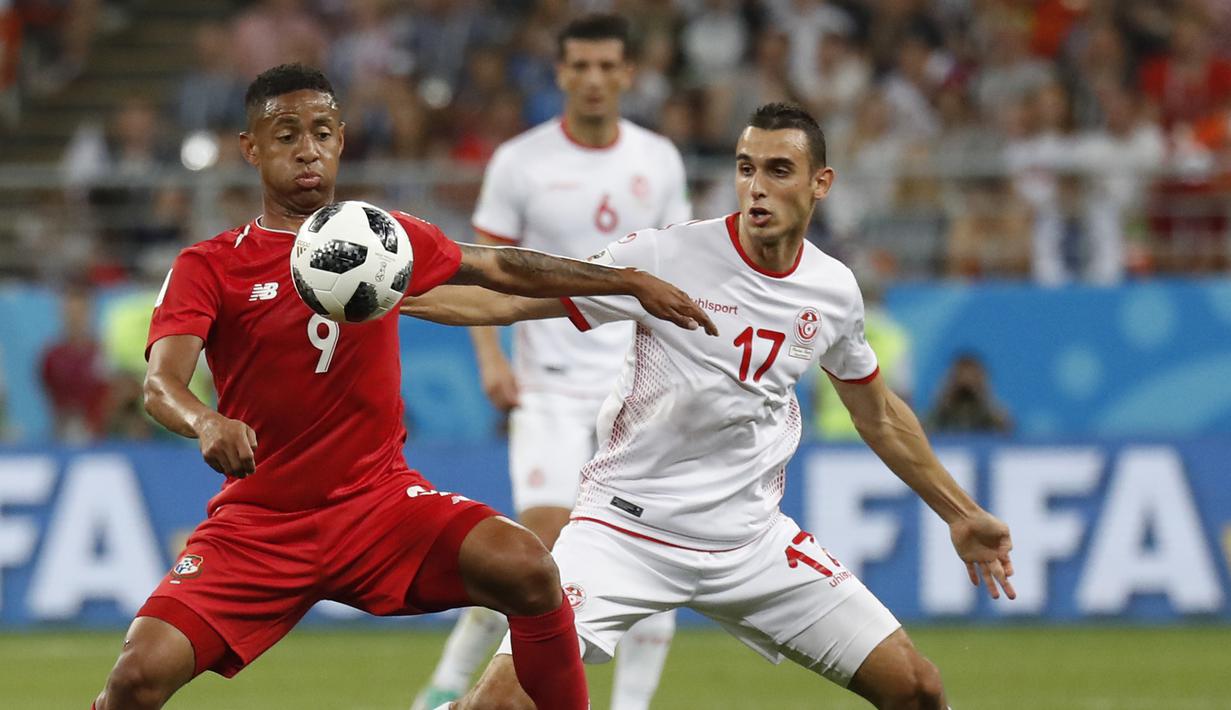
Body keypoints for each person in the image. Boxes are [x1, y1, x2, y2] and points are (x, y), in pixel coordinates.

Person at [89, 63, 717, 710]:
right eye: (285, 135)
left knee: (530, 570)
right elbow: (160, 385)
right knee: (136, 678)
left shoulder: (381, 238)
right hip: (260, 525)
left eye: (323, 131)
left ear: (341, 140)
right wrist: (206, 422)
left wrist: (625, 280)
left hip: (379, 507)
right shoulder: (209, 265)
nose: (307, 148)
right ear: (251, 149)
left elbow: (499, 267)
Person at [402, 102, 1016, 709]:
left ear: (820, 183)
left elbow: (877, 414)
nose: (756, 187)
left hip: (751, 542)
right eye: (746, 168)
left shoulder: (832, 291)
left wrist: (960, 513)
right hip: (624, 532)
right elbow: (502, 302)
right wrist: (388, 295)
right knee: (500, 707)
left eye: (778, 170)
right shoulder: (667, 256)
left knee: (918, 689)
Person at [412, 14, 690, 710]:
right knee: (534, 544)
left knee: (651, 551)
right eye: (580, 67)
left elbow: (680, 263)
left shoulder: (657, 160)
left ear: (626, 74)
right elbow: (477, 268)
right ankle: (449, 681)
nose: (593, 80)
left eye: (606, 67)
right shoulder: (521, 161)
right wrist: (489, 360)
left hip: (636, 387)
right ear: (561, 73)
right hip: (550, 386)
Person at [925, 352, 1013, 434]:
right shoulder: (943, 409)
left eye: (972, 376)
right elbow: (926, 429)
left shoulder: (988, 410)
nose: (966, 379)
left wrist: (982, 395)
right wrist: (945, 396)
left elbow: (1006, 428)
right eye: (961, 374)